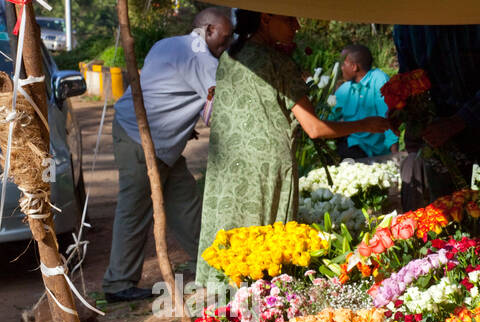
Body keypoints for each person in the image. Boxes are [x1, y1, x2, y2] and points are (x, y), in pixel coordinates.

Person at [195, 11, 390, 290]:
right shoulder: (278, 63)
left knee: (232, 243)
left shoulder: (229, 57)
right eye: (289, 20)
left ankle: (225, 310)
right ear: (265, 18)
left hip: (228, 169)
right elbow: (315, 128)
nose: (297, 27)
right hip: (265, 171)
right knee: (265, 249)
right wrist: (367, 124)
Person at [101, 7, 233, 303]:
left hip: (154, 142)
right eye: (223, 40)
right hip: (141, 140)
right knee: (135, 210)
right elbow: (221, 111)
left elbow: (165, 90)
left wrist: (184, 126)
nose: (226, 47)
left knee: (187, 207)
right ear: (209, 30)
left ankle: (214, 268)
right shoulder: (202, 59)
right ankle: (118, 283)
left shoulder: (169, 43)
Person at [391, 23, 480, 234]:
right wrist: (401, 107)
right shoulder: (406, 26)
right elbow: (409, 76)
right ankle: (454, 260)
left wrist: (457, 121)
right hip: (442, 130)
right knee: (445, 214)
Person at [329, 44, 398, 161]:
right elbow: (329, 118)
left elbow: (388, 117)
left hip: (379, 152)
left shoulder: (379, 80)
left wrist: (395, 155)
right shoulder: (344, 90)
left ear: (354, 67)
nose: (341, 68)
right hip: (353, 148)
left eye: (343, 64)